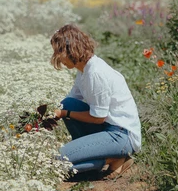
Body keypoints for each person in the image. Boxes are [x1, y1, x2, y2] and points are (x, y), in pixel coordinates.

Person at [50, 24, 141, 177]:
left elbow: (98, 118)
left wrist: (65, 113)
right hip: (108, 129)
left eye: (59, 51)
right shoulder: (83, 70)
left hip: (121, 136)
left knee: (59, 161)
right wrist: (46, 114)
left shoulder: (96, 73)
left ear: (71, 49)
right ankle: (90, 155)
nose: (57, 57)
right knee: (68, 103)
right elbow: (71, 100)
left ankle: (112, 159)